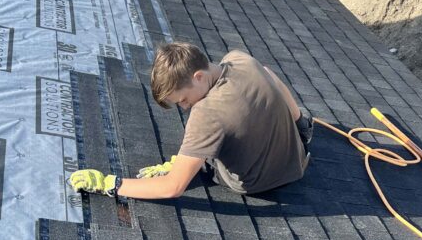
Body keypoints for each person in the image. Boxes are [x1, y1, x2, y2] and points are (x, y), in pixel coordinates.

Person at [69, 40, 313, 201]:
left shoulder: (206, 114)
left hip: (257, 182)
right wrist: (300, 122)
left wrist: (109, 183)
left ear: (198, 76)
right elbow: (270, 74)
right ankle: (302, 124)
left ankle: (195, 161)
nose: (185, 108)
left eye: (183, 99)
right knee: (265, 71)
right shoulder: (240, 59)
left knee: (202, 155)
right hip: (296, 159)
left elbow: (172, 188)